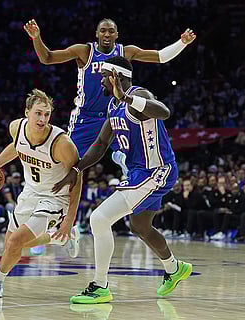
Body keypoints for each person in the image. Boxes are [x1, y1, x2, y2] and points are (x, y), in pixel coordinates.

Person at [53, 57, 192, 304]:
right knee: (140, 227)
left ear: (117, 77)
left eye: (104, 76)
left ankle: (100, 286)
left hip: (156, 171)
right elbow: (101, 144)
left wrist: (126, 96)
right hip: (139, 172)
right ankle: (174, 268)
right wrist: (77, 168)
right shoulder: (113, 106)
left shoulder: (139, 95)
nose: (101, 81)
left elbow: (164, 112)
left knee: (99, 218)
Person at [24, 18, 196, 163]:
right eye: (103, 30)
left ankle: (132, 179)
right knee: (68, 163)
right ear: (97, 34)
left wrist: (182, 43)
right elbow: (47, 58)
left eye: (111, 31)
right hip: (86, 117)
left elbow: (161, 57)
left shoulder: (125, 51)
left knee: (133, 160)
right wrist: (36, 38)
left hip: (115, 114)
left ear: (117, 35)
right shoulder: (84, 51)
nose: (107, 34)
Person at [0, 89, 82, 298]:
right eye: (38, 113)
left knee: (16, 242)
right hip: (30, 192)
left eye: (47, 114)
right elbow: (17, 147)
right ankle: (60, 239)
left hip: (56, 198)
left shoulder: (61, 144)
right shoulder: (16, 128)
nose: (42, 119)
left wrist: (70, 219)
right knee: (11, 246)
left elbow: (77, 178)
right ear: (27, 112)